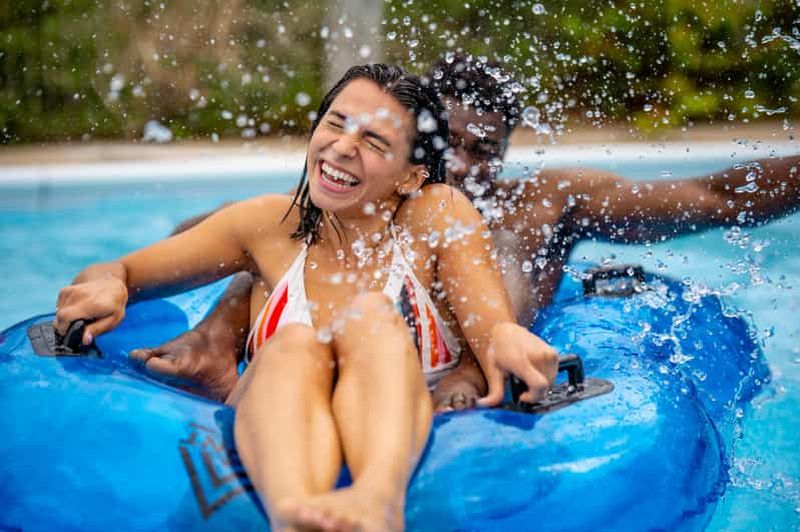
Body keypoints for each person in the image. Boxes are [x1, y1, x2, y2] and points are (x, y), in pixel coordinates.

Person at [131, 53, 800, 409]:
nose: (464, 165)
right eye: (447, 145)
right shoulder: (366, 199)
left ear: (506, 153)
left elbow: (713, 195)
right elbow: (228, 232)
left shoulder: (542, 202)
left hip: (466, 377)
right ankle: (213, 342)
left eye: (484, 149)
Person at [54, 64, 559, 531]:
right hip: (271, 425)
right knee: (294, 343)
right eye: (335, 124)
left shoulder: (436, 216)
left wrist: (508, 340)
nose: (342, 147)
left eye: (374, 141)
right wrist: (108, 284)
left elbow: (495, 327)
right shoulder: (266, 225)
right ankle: (295, 514)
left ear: (411, 174)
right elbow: (120, 268)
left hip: (404, 435)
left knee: (371, 316)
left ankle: (375, 503)